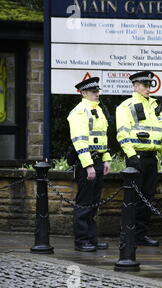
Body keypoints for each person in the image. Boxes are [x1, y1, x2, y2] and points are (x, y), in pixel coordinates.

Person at [116, 71, 162, 247]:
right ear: (135, 86)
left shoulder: (154, 106)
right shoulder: (126, 106)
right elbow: (122, 133)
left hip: (151, 158)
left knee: (148, 198)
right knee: (133, 198)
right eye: (145, 85)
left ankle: (141, 234)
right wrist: (131, 155)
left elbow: (161, 133)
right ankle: (127, 234)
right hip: (137, 157)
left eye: (150, 85)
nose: (148, 89)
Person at [67, 77, 112, 252]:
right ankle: (81, 240)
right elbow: (79, 141)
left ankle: (91, 239)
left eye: (97, 91)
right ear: (84, 93)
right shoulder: (80, 111)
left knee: (93, 203)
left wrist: (106, 158)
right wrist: (88, 165)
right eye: (93, 91)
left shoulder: (98, 110)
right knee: (84, 203)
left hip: (98, 160)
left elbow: (102, 138)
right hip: (87, 161)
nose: (97, 94)